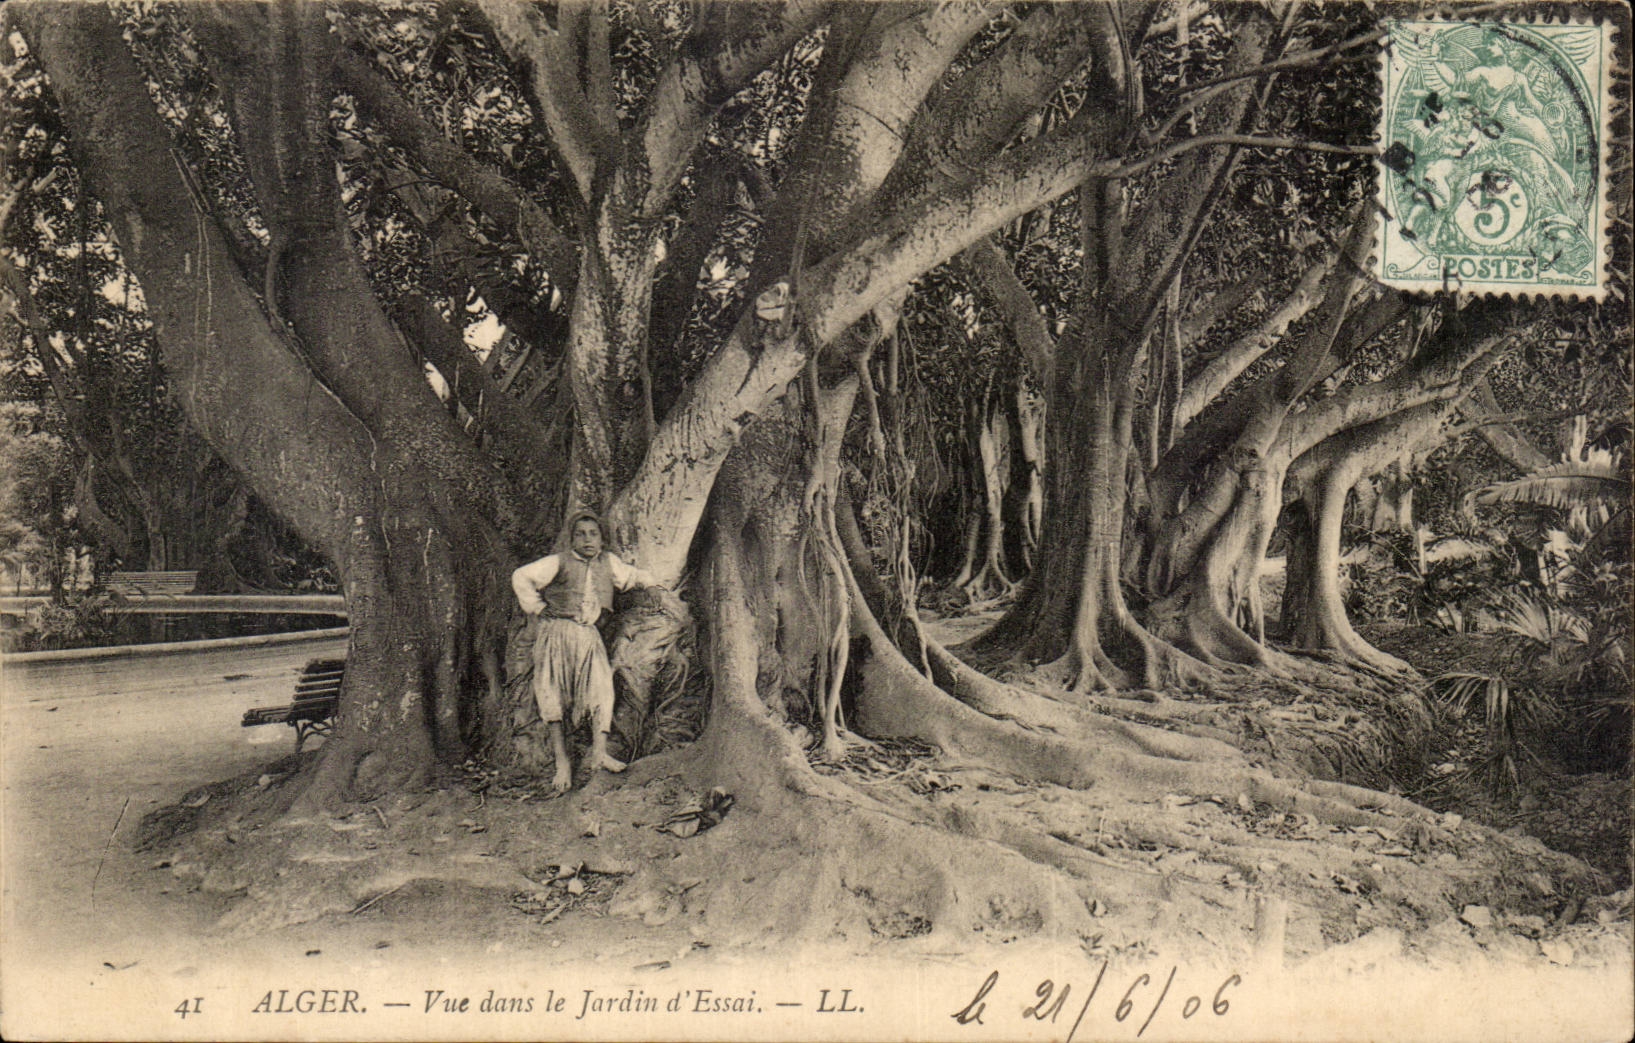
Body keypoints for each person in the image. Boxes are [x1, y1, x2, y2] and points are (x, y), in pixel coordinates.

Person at [511, 510, 664, 794]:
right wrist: (538, 607)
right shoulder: (558, 562)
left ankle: (600, 753)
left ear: (602, 539)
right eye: (580, 534)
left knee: (601, 689)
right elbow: (521, 577)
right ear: (571, 539)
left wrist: (651, 584)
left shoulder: (609, 564)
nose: (587, 539)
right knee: (551, 692)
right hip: (556, 632)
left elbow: (633, 576)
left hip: (588, 636)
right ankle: (561, 762)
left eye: (593, 534)